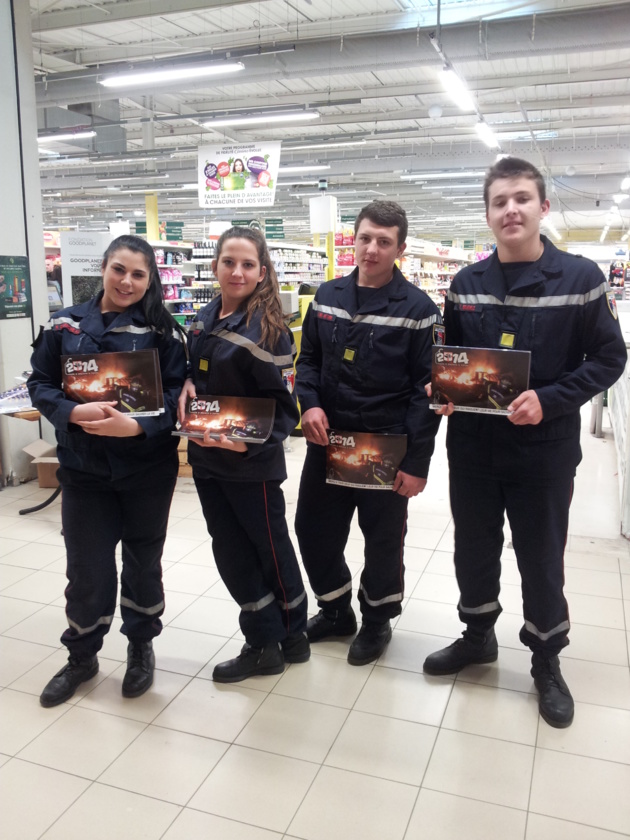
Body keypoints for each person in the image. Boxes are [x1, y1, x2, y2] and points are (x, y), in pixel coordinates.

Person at [423, 157, 627, 728]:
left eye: (521, 198)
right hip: (474, 449)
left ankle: (545, 659)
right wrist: (444, 391)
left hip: (545, 450)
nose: (510, 209)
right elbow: (455, 362)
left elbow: (611, 358)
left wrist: (553, 398)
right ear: (487, 214)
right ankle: (477, 635)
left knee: (541, 558)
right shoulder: (466, 284)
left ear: (543, 206)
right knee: (474, 549)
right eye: (498, 201)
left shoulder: (581, 278)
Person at [28, 234, 187, 707]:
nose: (127, 281)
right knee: (87, 567)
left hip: (146, 471)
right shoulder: (65, 325)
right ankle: (82, 654)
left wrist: (136, 429)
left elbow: (178, 403)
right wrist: (71, 413)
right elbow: (39, 382)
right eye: (119, 269)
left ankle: (141, 646)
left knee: (143, 562)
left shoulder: (163, 333)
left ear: (150, 279)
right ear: (103, 267)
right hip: (83, 470)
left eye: (139, 274)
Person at [294, 200, 442, 665]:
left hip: (385, 445)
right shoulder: (327, 296)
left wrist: (417, 464)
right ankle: (336, 609)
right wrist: (310, 404)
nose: (372, 249)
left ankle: (377, 621)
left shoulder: (419, 309)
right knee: (312, 529)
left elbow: (427, 394)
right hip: (329, 441)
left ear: (400, 247)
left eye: (383, 241)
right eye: (365, 238)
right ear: (352, 239)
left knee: (381, 541)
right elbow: (310, 362)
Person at [178, 226, 308, 682]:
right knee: (231, 548)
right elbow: (194, 374)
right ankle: (276, 634)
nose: (237, 271)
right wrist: (188, 383)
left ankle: (280, 637)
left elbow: (284, 411)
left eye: (247, 264)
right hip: (208, 458)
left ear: (262, 271)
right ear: (214, 267)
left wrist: (247, 442)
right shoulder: (203, 317)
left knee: (268, 550)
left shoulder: (270, 331)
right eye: (228, 262)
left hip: (250, 464)